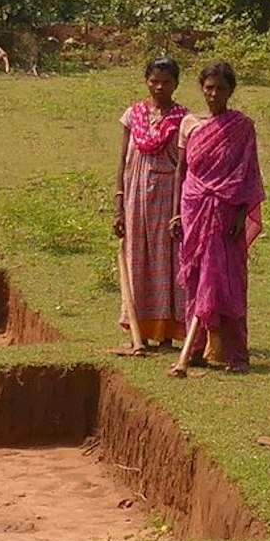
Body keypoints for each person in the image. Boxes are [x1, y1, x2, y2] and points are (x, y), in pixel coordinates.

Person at [169, 60, 263, 377]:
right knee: (196, 277)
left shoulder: (242, 127)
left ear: (230, 91)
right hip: (194, 207)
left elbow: (248, 175)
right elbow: (182, 171)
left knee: (229, 280)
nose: (213, 94)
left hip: (226, 211)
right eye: (209, 88)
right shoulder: (190, 124)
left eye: (220, 88)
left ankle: (235, 353)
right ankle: (195, 349)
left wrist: (239, 213)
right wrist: (176, 213)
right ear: (201, 88)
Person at [111, 57, 188, 354]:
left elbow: (185, 165)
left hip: (168, 197)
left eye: (166, 82)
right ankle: (137, 329)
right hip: (134, 197)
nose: (159, 87)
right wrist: (118, 201)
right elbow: (122, 159)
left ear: (176, 84)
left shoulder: (184, 119)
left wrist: (180, 210)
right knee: (136, 259)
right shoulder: (133, 115)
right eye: (154, 81)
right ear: (146, 81)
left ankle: (167, 334)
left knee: (167, 261)